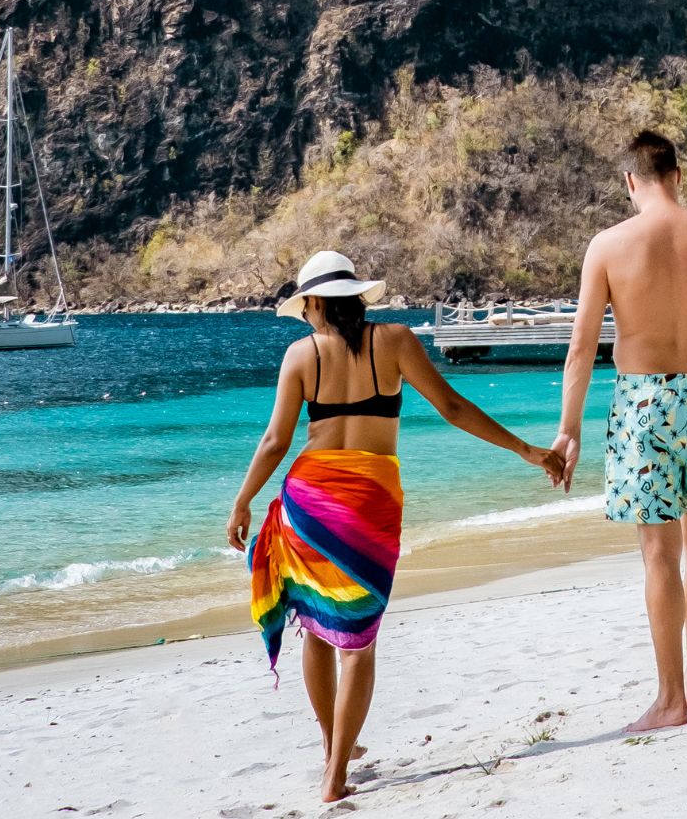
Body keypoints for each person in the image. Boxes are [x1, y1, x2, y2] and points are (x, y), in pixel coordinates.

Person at [226, 251, 564, 803]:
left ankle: (333, 750)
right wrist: (526, 449)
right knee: (357, 641)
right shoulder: (398, 340)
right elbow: (452, 408)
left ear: (312, 302)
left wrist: (242, 502)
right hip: (368, 504)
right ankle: (335, 772)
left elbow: (275, 443)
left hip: (308, 501)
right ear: (356, 296)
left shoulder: (300, 355)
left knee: (314, 625)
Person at [552, 131, 687, 733]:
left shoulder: (609, 245)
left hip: (641, 401)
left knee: (657, 553)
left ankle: (671, 696)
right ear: (678, 173)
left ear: (630, 181)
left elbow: (582, 348)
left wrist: (568, 431)